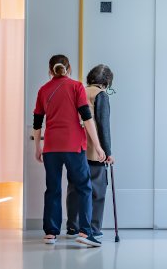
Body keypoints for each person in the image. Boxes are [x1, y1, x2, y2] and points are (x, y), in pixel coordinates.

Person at [32, 54, 105, 247]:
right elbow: (87, 118)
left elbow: (37, 122)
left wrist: (37, 147)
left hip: (51, 147)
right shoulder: (76, 87)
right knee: (84, 187)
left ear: (50, 70)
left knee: (53, 189)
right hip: (74, 145)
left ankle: (50, 233)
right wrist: (98, 146)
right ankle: (85, 232)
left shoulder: (43, 90)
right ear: (69, 68)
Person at [66, 64, 115, 240]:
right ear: (106, 82)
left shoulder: (78, 91)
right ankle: (92, 228)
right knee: (96, 191)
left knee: (74, 189)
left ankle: (73, 226)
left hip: (74, 148)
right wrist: (108, 152)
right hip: (94, 151)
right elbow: (103, 125)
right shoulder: (100, 95)